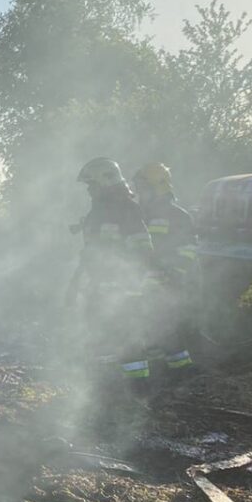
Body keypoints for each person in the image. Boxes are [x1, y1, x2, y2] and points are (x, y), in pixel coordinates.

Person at [73, 157, 155, 385]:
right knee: (100, 338)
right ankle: (107, 389)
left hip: (122, 289)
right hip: (100, 287)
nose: (89, 190)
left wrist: (126, 283)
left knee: (126, 336)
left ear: (105, 182)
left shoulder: (126, 208)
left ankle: (138, 389)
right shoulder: (99, 210)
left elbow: (143, 250)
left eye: (92, 185)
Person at [132, 162, 197, 374]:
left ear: (156, 188)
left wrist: (173, 275)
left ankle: (181, 376)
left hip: (168, 284)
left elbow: (188, 250)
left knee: (168, 331)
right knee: (147, 330)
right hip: (143, 285)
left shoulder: (178, 216)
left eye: (143, 189)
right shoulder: (139, 215)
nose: (139, 193)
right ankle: (161, 375)